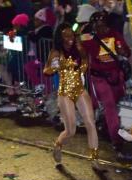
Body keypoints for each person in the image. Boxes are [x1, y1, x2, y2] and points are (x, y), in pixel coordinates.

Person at [43, 23, 100, 168]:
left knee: (90, 123)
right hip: (65, 93)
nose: (70, 38)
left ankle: (94, 158)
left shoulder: (79, 47)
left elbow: (85, 59)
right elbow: (46, 71)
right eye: (66, 36)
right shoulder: (56, 52)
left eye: (72, 35)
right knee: (71, 130)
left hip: (80, 89)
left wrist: (82, 67)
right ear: (60, 38)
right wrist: (56, 67)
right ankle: (58, 144)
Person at [81, 11, 131, 156]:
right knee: (110, 107)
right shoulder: (89, 37)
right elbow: (80, 51)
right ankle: (116, 141)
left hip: (115, 77)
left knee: (113, 105)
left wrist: (123, 51)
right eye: (96, 25)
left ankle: (105, 123)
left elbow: (127, 53)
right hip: (99, 78)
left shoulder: (115, 34)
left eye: (102, 25)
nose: (99, 28)